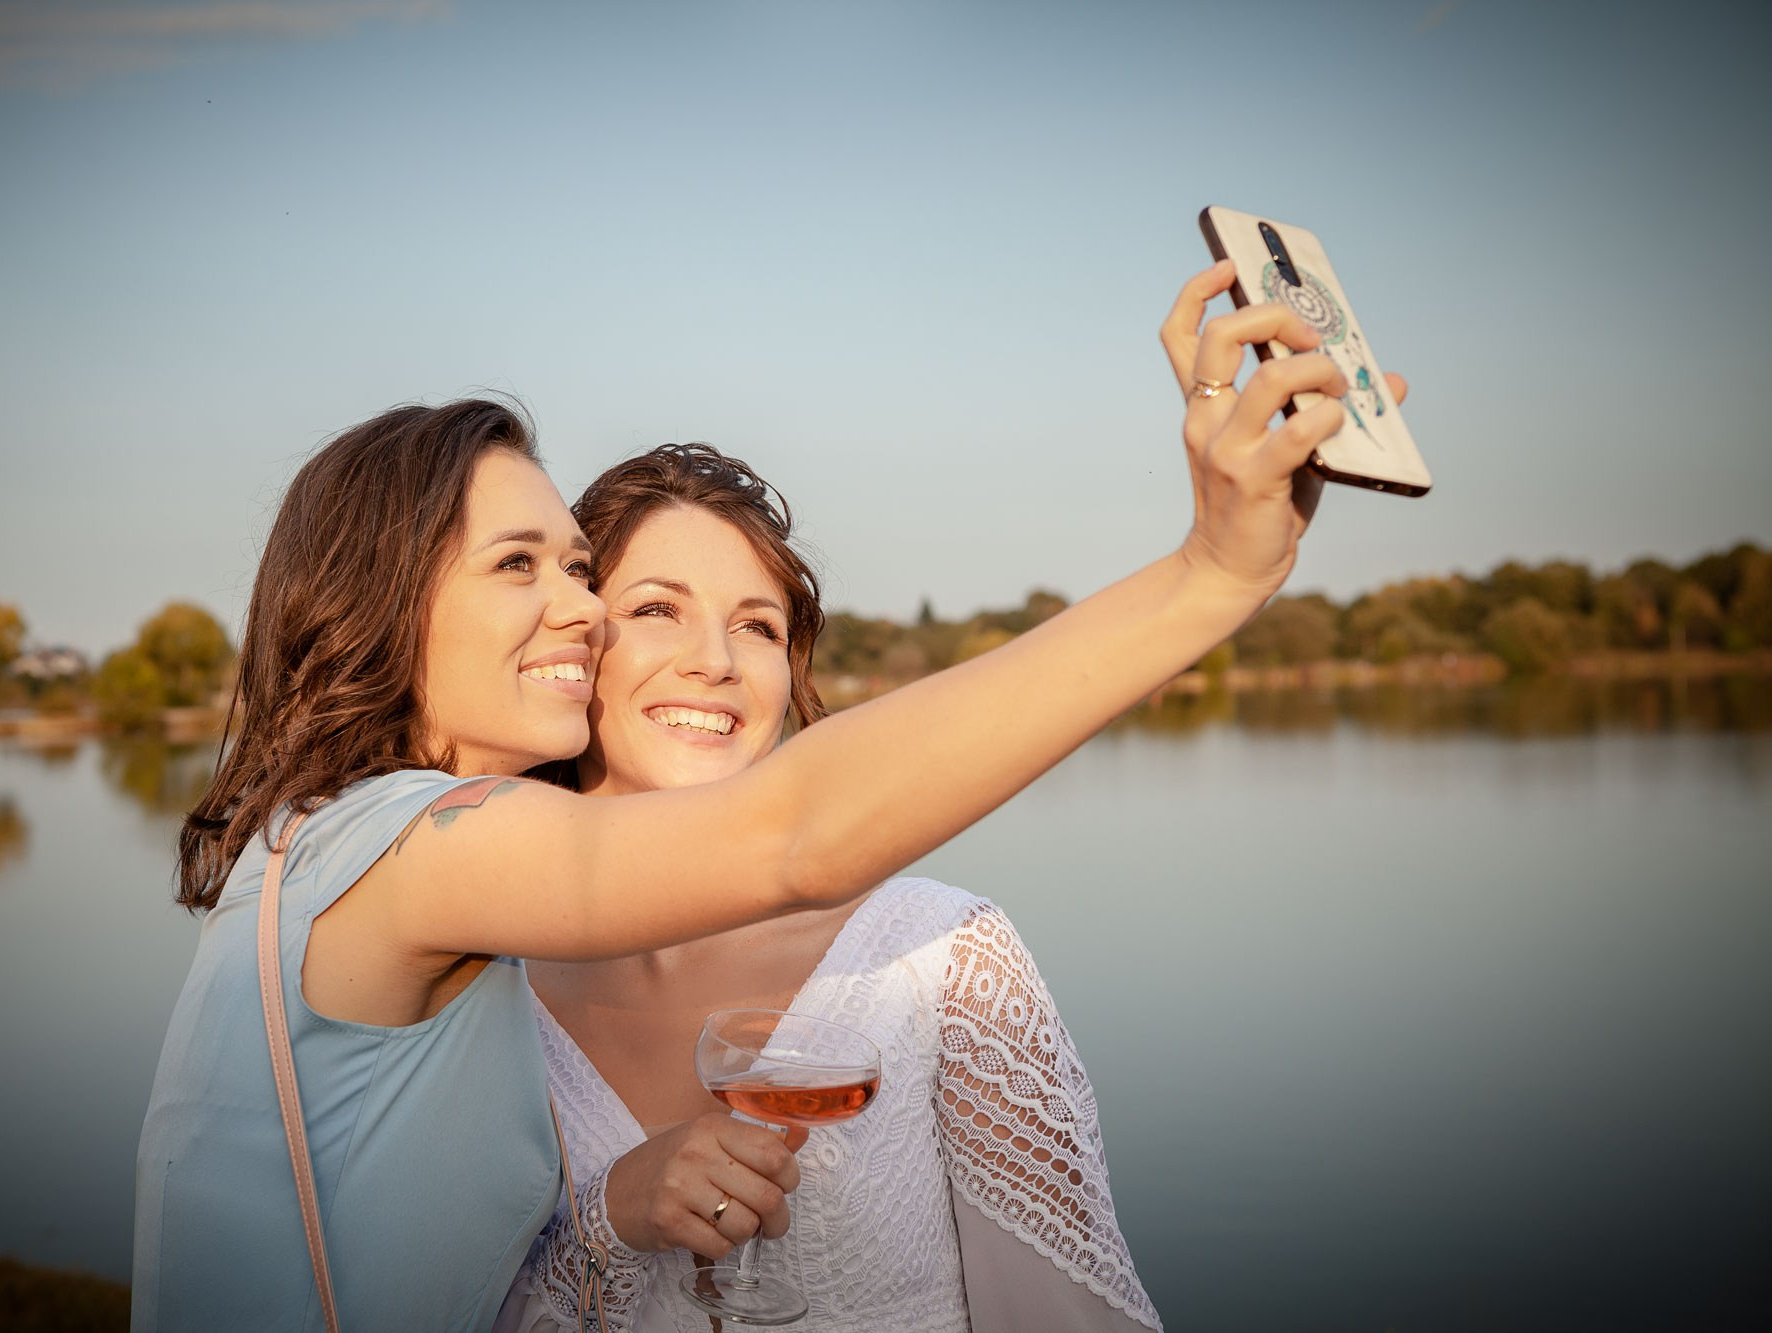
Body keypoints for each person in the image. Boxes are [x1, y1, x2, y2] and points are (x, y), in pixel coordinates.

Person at [132, 259, 1388, 1329]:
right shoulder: (410, 848)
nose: (579, 610)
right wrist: (1213, 573)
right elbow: (794, 832)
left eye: (577, 568)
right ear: (378, 600)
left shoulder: (333, 864)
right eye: (520, 566)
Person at [507, 441, 1163, 1331]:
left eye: (758, 627)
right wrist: (609, 1219)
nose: (717, 660)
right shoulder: (478, 988)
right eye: (658, 608)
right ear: (573, 644)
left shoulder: (939, 958)